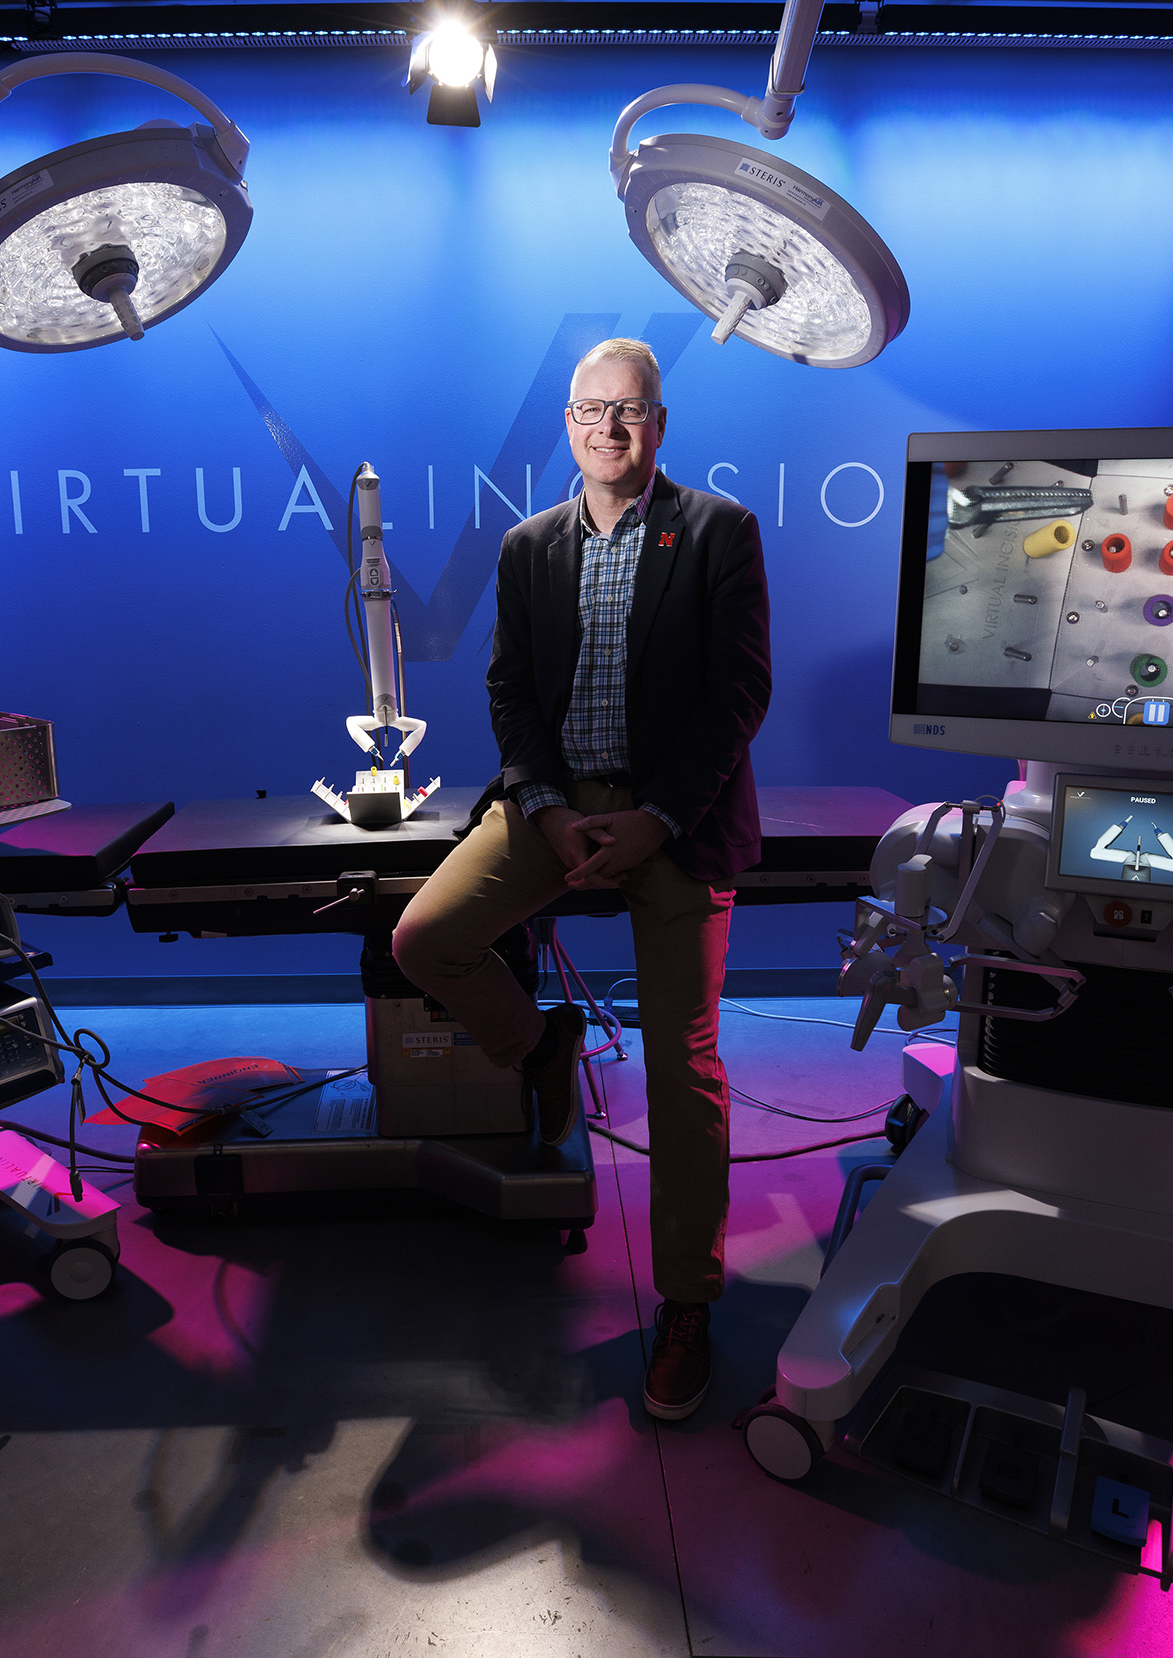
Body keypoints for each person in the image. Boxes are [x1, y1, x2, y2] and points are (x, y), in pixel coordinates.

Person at [392, 337, 772, 1421]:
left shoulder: (717, 532)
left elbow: (737, 696)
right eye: (591, 409)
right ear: (567, 422)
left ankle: (688, 1302)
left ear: (661, 423)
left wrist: (654, 819)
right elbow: (509, 692)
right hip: (552, 807)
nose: (611, 427)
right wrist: (549, 809)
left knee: (683, 1062)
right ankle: (540, 1040)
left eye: (632, 410)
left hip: (675, 824)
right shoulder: (526, 546)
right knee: (425, 939)